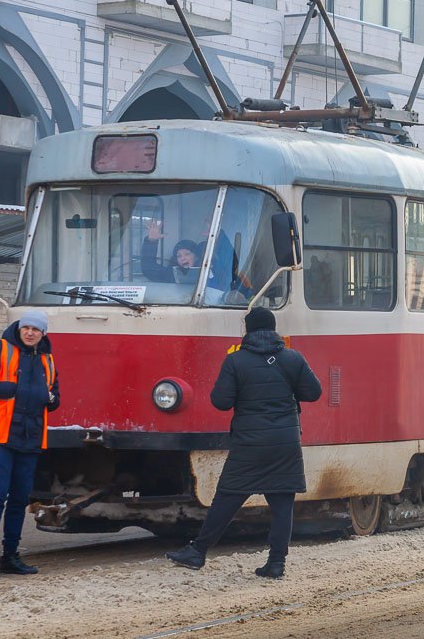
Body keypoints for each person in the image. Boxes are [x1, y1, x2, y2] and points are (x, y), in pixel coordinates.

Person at [166, 307, 322, 578]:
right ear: (273, 329)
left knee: (228, 497)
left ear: (247, 331)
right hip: (284, 442)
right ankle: (276, 563)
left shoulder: (236, 361)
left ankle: (197, 552)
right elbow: (314, 392)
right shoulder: (292, 358)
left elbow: (221, 402)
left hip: (249, 442)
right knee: (282, 501)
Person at [0, 310, 60, 575]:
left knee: (20, 499)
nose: (30, 333)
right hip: (1, 436)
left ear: (43, 333)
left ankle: (10, 556)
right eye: (26, 328)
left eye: (36, 329)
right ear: (19, 329)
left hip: (30, 438)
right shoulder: (0, 349)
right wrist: (14, 388)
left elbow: (55, 396)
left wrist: (52, 399)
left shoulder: (48, 359)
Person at [140, 219, 204, 285]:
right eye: (179, 256)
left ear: (196, 256)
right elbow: (149, 269)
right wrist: (151, 242)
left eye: (187, 254)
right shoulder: (171, 275)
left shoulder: (206, 273)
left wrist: (214, 238)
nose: (183, 258)